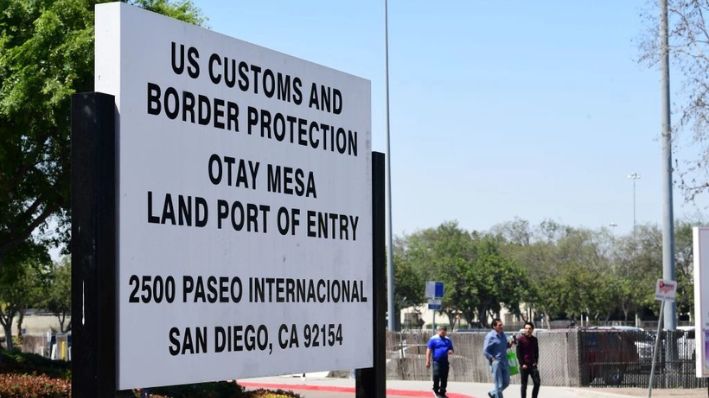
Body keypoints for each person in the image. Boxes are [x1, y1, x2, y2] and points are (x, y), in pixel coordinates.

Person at [483, 319, 514, 398]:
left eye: (502, 324)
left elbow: (504, 346)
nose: (502, 326)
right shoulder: (490, 336)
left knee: (506, 382)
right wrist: (492, 359)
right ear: (494, 326)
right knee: (499, 384)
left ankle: (493, 393)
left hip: (504, 361)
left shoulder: (503, 334)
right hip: (496, 363)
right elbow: (485, 351)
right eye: (499, 325)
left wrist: (509, 344)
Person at [426, 325, 454, 398]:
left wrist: (450, 351)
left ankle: (442, 392)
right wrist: (427, 361)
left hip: (445, 361)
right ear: (438, 331)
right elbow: (429, 350)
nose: (443, 332)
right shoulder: (433, 339)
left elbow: (451, 349)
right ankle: (435, 390)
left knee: (444, 377)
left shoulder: (448, 340)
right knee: (437, 375)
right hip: (436, 361)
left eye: (444, 330)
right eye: (441, 330)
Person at [516, 321, 540, 398]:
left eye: (529, 328)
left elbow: (536, 352)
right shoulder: (520, 339)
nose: (527, 330)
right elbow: (518, 353)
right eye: (526, 328)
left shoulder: (534, 339)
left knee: (537, 383)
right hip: (524, 366)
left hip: (533, 365)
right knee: (524, 385)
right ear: (524, 329)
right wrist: (522, 364)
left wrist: (536, 362)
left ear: (532, 329)